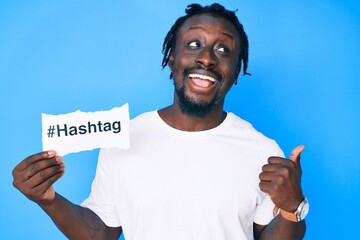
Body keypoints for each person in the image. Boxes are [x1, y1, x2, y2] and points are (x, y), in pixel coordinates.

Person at [12, 3, 308, 240]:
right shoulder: (124, 139)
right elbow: (101, 233)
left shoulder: (261, 150)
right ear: (171, 57)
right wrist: (48, 199)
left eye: (223, 50)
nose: (206, 58)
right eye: (194, 44)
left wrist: (292, 208)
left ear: (235, 72)